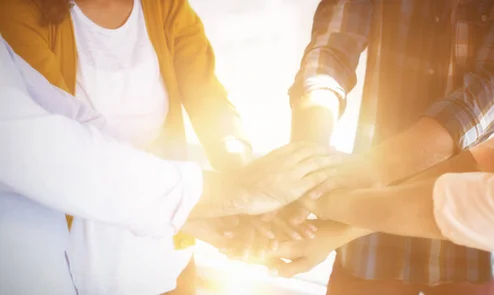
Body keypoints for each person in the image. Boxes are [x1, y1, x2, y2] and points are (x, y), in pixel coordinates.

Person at [0, 0, 312, 293]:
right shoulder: (18, 11)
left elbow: (208, 99)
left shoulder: (165, 5)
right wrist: (235, 195)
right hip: (87, 242)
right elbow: (67, 146)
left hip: (168, 228)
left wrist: (245, 182)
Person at [285, 0, 494, 294]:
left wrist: (329, 197)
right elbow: (331, 50)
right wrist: (303, 167)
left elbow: (485, 97)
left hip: (469, 240)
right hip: (370, 229)